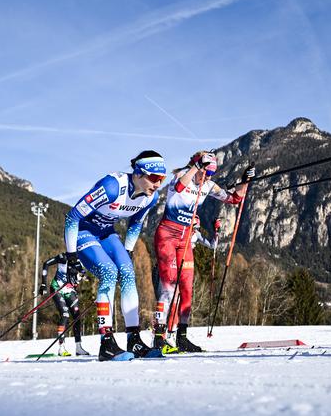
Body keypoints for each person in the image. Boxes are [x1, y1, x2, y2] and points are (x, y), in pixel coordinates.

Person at [64, 151, 166, 361]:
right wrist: (72, 256)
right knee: (109, 272)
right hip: (83, 231)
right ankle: (106, 342)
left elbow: (135, 223)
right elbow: (72, 217)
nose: (157, 184)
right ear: (138, 174)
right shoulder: (112, 187)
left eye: (162, 179)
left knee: (127, 271)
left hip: (106, 233)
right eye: (154, 178)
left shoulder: (150, 197)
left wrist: (127, 251)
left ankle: (134, 339)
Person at [153, 151, 254, 353]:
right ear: (197, 166)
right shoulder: (181, 175)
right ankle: (159, 336)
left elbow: (234, 198)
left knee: (187, 288)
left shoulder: (207, 185)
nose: (207, 177)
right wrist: (198, 166)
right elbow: (181, 186)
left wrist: (245, 180)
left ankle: (182, 337)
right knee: (168, 285)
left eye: (211, 174)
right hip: (167, 235)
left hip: (185, 238)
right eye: (205, 172)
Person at [39, 253, 90, 356]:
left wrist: (81, 276)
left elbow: (82, 274)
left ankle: (78, 348)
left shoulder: (82, 259)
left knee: (77, 316)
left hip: (69, 290)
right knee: (65, 314)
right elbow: (46, 264)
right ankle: (61, 348)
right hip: (57, 288)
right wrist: (43, 284)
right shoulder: (63, 258)